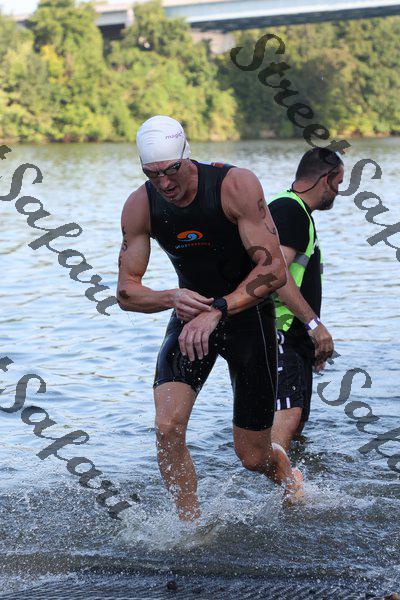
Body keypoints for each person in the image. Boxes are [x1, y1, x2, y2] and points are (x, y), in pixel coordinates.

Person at [117, 115, 303, 521]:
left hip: (246, 317)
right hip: (190, 317)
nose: (164, 183)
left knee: (252, 457)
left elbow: (274, 270)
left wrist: (219, 309)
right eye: (152, 174)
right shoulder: (140, 205)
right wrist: (172, 297)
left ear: (187, 155)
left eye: (171, 170)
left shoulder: (235, 186)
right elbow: (126, 291)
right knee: (167, 428)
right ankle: (190, 526)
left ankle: (291, 479)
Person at [269, 148, 344, 453]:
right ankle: (279, 483)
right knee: (286, 421)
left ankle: (293, 480)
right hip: (279, 330)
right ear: (325, 179)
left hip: (295, 335)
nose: (338, 192)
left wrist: (309, 339)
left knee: (297, 424)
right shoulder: (289, 211)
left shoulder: (297, 212)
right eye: (339, 183)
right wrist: (315, 326)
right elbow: (275, 276)